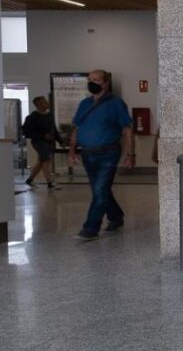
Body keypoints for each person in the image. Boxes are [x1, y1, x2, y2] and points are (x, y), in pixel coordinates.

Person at [68, 70, 134, 240]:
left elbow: (127, 130)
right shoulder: (84, 104)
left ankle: (91, 228)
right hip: (87, 154)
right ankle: (116, 216)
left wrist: (130, 154)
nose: (92, 83)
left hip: (108, 152)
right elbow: (76, 128)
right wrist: (72, 149)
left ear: (105, 83)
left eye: (96, 80)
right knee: (100, 191)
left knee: (99, 190)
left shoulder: (116, 103)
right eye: (90, 80)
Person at [22, 96, 61, 190]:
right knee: (46, 160)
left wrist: (60, 141)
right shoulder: (32, 117)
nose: (46, 103)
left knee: (41, 161)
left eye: (46, 101)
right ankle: (50, 183)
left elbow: (54, 129)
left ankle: (30, 180)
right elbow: (28, 132)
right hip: (39, 142)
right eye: (43, 102)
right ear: (38, 105)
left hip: (49, 142)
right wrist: (43, 136)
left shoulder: (49, 115)